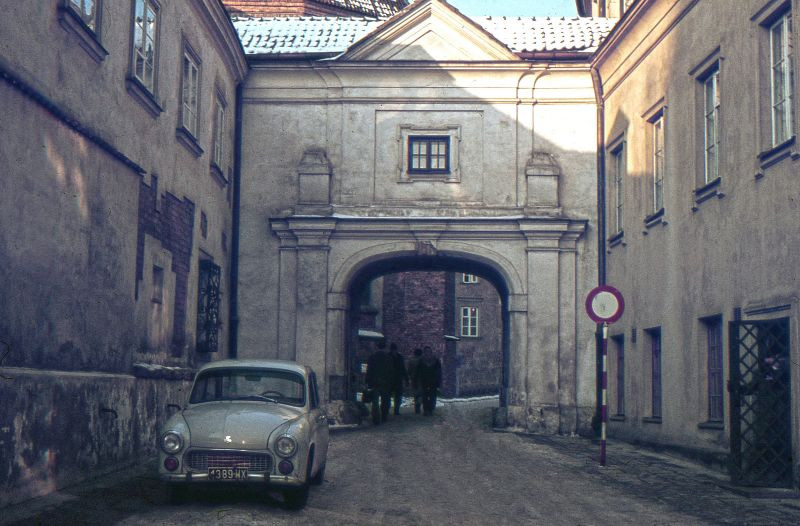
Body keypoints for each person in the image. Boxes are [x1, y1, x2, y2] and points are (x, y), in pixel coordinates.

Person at [365, 340, 392, 424]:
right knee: (385, 400)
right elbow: (391, 371)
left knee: (375, 401)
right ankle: (384, 416)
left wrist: (367, 381)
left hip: (374, 382)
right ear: (385, 347)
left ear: (377, 347)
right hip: (385, 382)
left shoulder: (372, 357)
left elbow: (369, 370)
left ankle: (376, 418)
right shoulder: (388, 358)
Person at [414, 345, 442, 416]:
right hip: (424, 381)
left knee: (432, 396)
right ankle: (426, 410)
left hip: (433, 381)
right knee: (425, 396)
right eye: (426, 351)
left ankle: (431, 409)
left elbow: (439, 372)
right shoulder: (421, 361)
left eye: (428, 351)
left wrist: (438, 381)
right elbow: (418, 371)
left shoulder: (435, 360)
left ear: (431, 352)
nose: (427, 353)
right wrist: (416, 380)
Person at [388, 343, 407, 415]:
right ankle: (395, 410)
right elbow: (403, 368)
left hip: (393, 379)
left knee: (394, 395)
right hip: (395, 379)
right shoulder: (399, 357)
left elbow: (403, 368)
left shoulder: (388, 356)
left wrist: (406, 378)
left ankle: (394, 410)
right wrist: (406, 378)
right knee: (396, 396)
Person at [407, 348, 423, 414]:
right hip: (422, 379)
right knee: (421, 393)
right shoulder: (423, 360)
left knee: (416, 394)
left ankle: (417, 409)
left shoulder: (411, 360)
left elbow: (409, 371)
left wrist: (410, 377)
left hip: (414, 379)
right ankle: (419, 405)